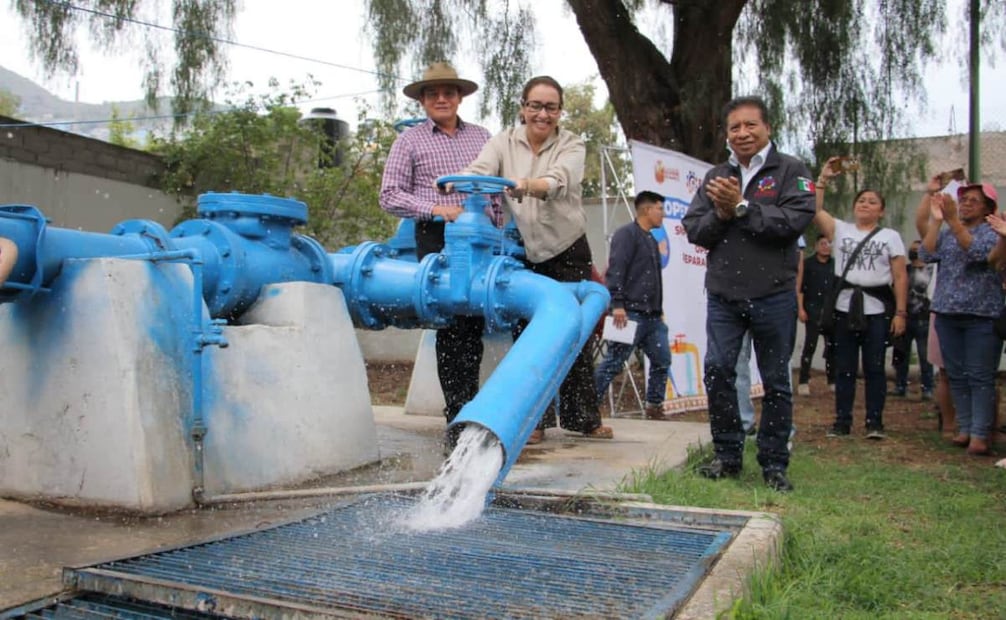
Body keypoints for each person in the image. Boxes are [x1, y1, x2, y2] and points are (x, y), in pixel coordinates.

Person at [460, 75, 613, 444]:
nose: (542, 114)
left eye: (550, 107)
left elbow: (559, 180)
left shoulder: (572, 144)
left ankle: (583, 418)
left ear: (559, 112)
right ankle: (535, 421)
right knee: (528, 334)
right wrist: (458, 181)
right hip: (527, 251)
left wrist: (528, 185)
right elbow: (480, 169)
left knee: (572, 331)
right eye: (535, 106)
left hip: (568, 248)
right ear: (523, 108)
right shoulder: (503, 142)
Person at [682, 95, 816, 492]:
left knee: (776, 381)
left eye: (750, 125)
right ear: (726, 134)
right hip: (724, 296)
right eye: (734, 127)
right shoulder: (716, 176)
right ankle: (727, 455)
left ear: (768, 128)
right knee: (718, 371)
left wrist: (742, 207)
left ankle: (774, 463)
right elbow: (695, 230)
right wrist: (721, 213)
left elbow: (793, 221)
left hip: (774, 294)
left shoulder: (791, 170)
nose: (742, 133)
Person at [379, 62, 493, 452]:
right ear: (423, 101)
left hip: (481, 238)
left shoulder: (481, 137)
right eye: (433, 93)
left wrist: (494, 221)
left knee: (474, 326)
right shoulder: (409, 141)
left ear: (459, 97)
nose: (441, 98)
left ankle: (474, 412)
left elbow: (494, 190)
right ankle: (458, 419)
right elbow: (389, 195)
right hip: (437, 235)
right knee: (452, 327)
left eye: (448, 92)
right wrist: (436, 209)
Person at [815, 157, 907, 440]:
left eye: (872, 202)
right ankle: (842, 421)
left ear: (881, 210)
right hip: (844, 308)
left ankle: (874, 422)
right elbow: (814, 210)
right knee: (844, 367)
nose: (865, 205)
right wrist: (822, 180)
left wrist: (900, 313)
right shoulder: (840, 230)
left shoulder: (890, 236)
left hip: (876, 310)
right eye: (861, 201)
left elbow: (900, 276)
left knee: (875, 367)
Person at [917, 179, 1001, 456]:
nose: (965, 204)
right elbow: (925, 253)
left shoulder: (993, 231)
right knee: (956, 375)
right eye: (963, 199)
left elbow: (978, 253)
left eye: (973, 201)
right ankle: (964, 428)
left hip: (981, 314)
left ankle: (980, 434)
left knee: (980, 376)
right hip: (946, 312)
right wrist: (937, 221)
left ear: (988, 208)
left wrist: (953, 221)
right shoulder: (948, 231)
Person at [594, 190, 671, 421]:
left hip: (652, 316)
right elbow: (616, 270)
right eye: (660, 209)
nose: (663, 214)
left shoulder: (651, 239)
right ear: (647, 210)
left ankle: (654, 406)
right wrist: (617, 304)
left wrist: (659, 309)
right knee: (614, 362)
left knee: (662, 359)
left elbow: (652, 279)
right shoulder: (626, 235)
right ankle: (587, 406)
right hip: (629, 314)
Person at [890, 239, 935, 399]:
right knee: (901, 355)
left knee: (925, 357)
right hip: (905, 318)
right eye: (912, 249)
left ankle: (928, 388)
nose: (913, 252)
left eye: (917, 249)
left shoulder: (931, 271)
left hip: (925, 319)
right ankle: (900, 385)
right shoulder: (904, 270)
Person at [796, 234, 836, 395]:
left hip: (831, 312)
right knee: (810, 345)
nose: (826, 247)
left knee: (832, 347)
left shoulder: (835, 265)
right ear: (816, 246)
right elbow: (800, 289)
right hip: (812, 310)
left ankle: (832, 380)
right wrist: (800, 309)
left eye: (828, 244)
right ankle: (803, 381)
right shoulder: (807, 265)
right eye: (822, 243)